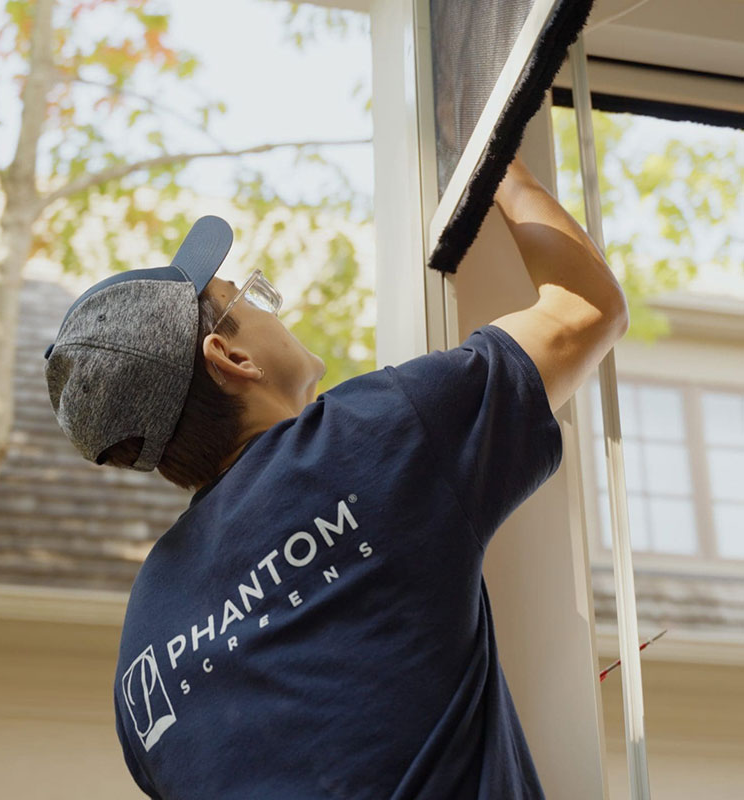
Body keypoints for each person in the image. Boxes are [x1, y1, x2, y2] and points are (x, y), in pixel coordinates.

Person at [43, 154, 628, 799]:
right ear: (231, 357)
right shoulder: (368, 438)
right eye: (249, 297)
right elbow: (586, 310)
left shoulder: (140, 659)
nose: (274, 310)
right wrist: (499, 162)